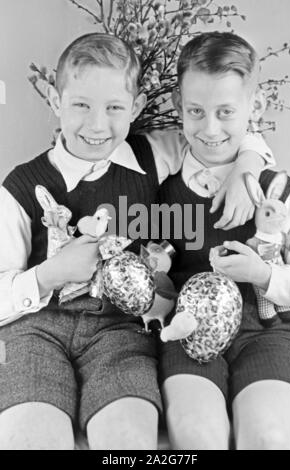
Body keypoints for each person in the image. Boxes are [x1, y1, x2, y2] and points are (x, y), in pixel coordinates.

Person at [0, 32, 273, 450]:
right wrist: (46, 276)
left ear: (137, 107)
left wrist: (248, 165)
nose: (97, 124)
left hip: (121, 332)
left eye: (113, 108)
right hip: (35, 332)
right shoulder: (20, 187)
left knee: (128, 441)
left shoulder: (152, 154)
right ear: (56, 101)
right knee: (32, 439)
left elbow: (218, 133)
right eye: (80, 105)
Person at [158, 31, 290, 450]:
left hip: (268, 331)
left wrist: (264, 273)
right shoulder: (158, 189)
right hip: (187, 332)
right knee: (196, 435)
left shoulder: (282, 194)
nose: (210, 128)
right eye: (196, 112)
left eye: (225, 112)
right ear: (177, 108)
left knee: (270, 436)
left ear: (254, 107)